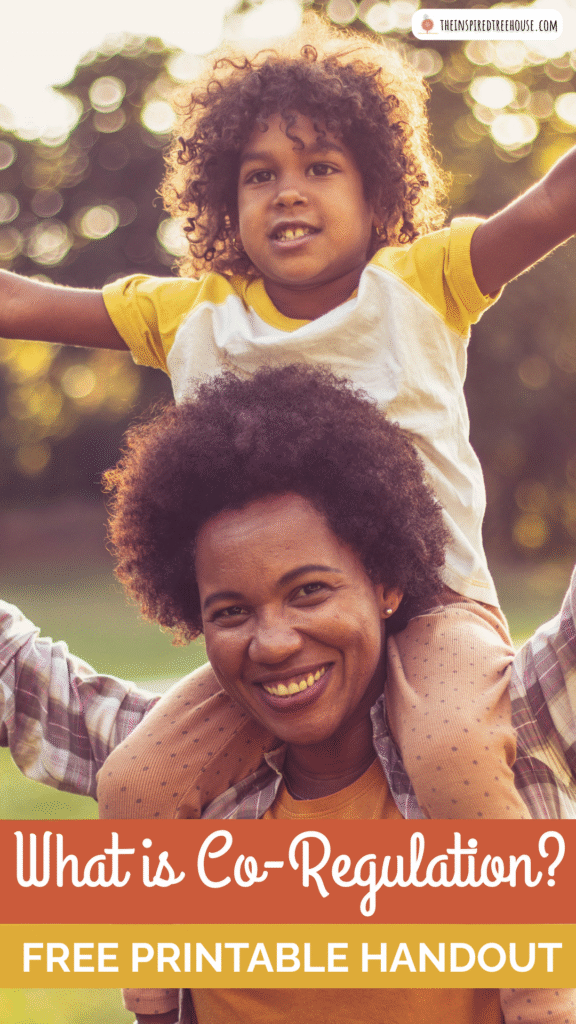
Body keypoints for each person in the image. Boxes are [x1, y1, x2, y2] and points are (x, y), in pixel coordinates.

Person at [3, 15, 576, 824]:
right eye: (259, 175)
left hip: (437, 605)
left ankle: (508, 935)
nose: (290, 191)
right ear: (222, 201)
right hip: (279, 619)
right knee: (138, 784)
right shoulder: (190, 315)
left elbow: (553, 200)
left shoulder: (422, 280)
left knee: (451, 749)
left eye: (320, 166)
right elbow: (23, 300)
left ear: (376, 190)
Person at [1, 366, 575, 1023]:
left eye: (309, 591)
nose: (272, 643)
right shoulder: (173, 773)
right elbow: (19, 676)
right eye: (231, 612)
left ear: (386, 585)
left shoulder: (501, 736)